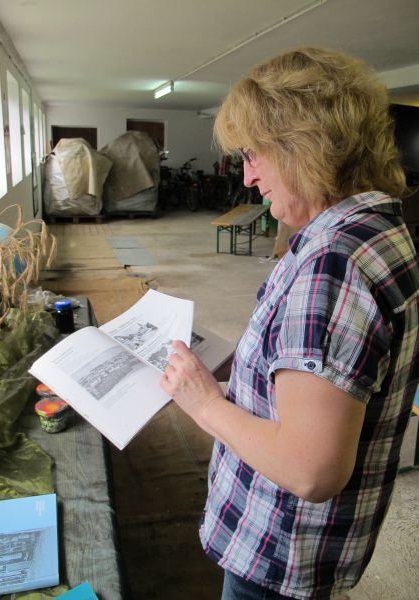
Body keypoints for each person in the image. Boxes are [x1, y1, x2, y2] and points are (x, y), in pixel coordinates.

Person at [160, 47, 419, 600]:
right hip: (306, 549)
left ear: (305, 145)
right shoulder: (378, 229)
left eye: (254, 154)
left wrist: (204, 404)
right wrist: (237, 377)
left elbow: (310, 470)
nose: (248, 176)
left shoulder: (332, 264)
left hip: (276, 554)